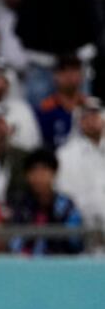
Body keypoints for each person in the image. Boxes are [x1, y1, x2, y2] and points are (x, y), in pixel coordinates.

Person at [8, 149, 84, 255]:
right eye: (34, 171)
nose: (39, 177)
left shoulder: (66, 205)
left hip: (62, 263)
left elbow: (76, 240)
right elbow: (14, 242)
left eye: (44, 170)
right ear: (27, 176)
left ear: (53, 173)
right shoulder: (20, 205)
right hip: (27, 266)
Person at [56, 97, 105, 227]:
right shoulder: (64, 155)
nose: (91, 121)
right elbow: (63, 194)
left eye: (95, 115)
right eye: (85, 117)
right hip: (81, 229)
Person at [36, 55, 88, 148]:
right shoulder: (45, 109)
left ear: (82, 75)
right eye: (64, 70)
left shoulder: (89, 107)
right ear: (55, 76)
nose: (69, 75)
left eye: (74, 69)